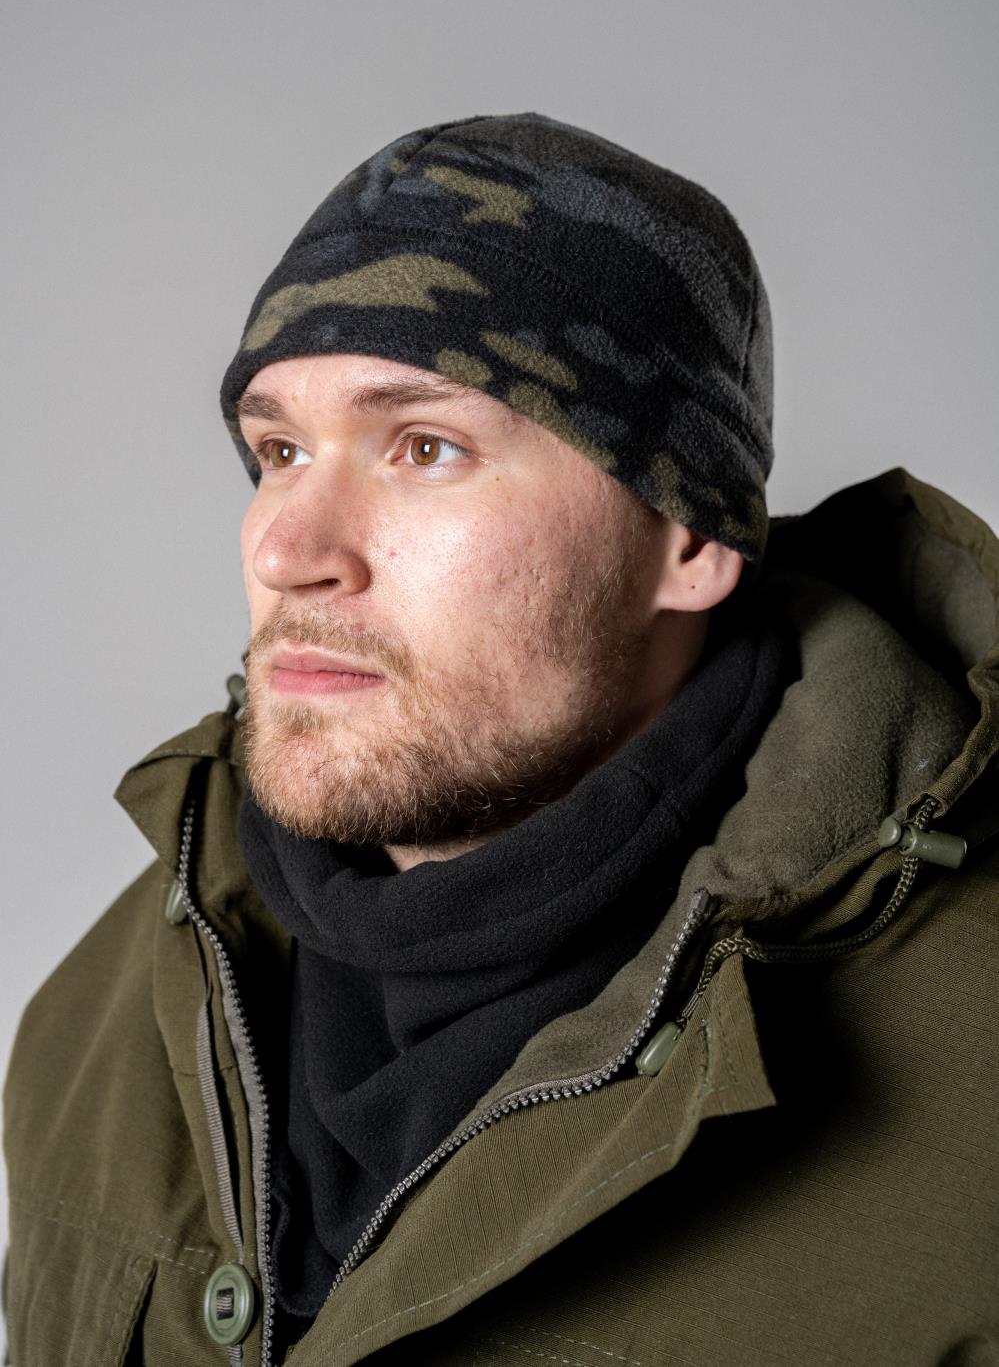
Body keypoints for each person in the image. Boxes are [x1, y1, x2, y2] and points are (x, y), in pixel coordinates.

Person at [4, 113, 998, 1367]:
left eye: (424, 448)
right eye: (279, 451)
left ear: (690, 536)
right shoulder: (105, 1016)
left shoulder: (971, 1098)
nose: (287, 549)